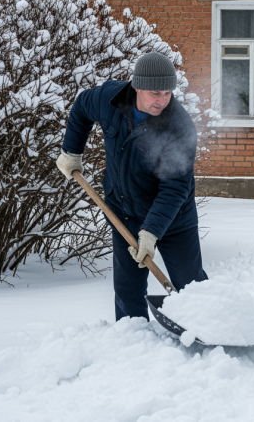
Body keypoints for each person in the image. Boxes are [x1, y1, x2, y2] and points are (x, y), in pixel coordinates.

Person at [55, 52, 208, 320]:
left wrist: (151, 231)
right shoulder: (109, 99)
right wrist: (71, 151)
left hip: (173, 220)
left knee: (191, 286)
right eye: (155, 93)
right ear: (137, 86)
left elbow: (175, 187)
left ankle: (211, 327)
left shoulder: (179, 126)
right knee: (127, 289)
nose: (162, 100)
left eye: (167, 93)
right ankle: (132, 343)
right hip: (124, 212)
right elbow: (81, 108)